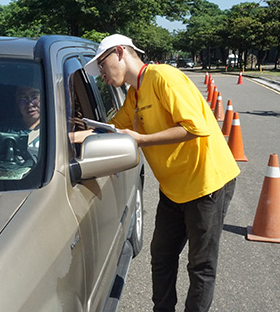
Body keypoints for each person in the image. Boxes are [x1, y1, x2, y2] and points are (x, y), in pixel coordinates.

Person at [84, 34, 240, 312]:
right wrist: (71, 134)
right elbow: (109, 129)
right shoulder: (135, 94)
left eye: (103, 67)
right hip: (173, 188)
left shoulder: (163, 77)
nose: (103, 77)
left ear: (120, 53)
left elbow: (194, 127)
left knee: (200, 266)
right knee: (162, 256)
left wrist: (141, 139)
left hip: (206, 183)